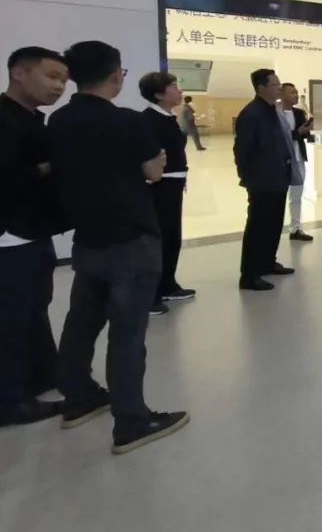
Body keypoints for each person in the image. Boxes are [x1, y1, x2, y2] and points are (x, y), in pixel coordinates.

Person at [48, 41, 188, 454]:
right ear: (115, 75)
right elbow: (153, 171)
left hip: (88, 239)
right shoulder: (125, 121)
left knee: (81, 322)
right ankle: (131, 420)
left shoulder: (58, 120)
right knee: (127, 332)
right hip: (132, 238)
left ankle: (77, 398)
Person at [0, 47, 69, 428]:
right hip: (10, 236)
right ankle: (10, 401)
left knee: (34, 308)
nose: (58, 86)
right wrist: (44, 168)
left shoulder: (31, 120)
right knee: (11, 318)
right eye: (52, 76)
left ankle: (40, 375)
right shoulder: (5, 120)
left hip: (33, 232)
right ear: (19, 73)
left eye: (63, 80)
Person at [139, 72, 196, 316]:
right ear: (158, 93)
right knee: (159, 239)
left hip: (174, 184)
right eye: (173, 86)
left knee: (172, 237)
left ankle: (167, 284)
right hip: (158, 186)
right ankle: (149, 295)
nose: (179, 90)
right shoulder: (148, 120)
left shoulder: (169, 117)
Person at [234, 69, 294, 291]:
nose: (279, 88)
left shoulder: (271, 110)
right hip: (261, 180)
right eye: (275, 85)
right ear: (261, 88)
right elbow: (242, 150)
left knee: (273, 224)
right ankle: (249, 275)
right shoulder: (252, 114)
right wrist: (248, 177)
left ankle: (267, 262)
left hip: (278, 177)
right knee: (258, 227)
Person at [280, 83, 314, 243]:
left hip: (298, 158)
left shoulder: (299, 113)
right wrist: (297, 132)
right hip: (280, 160)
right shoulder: (275, 113)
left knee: (297, 195)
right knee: (278, 196)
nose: (295, 95)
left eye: (296, 92)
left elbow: (304, 136)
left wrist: (307, 130)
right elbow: (278, 137)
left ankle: (295, 228)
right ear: (282, 94)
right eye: (292, 92)